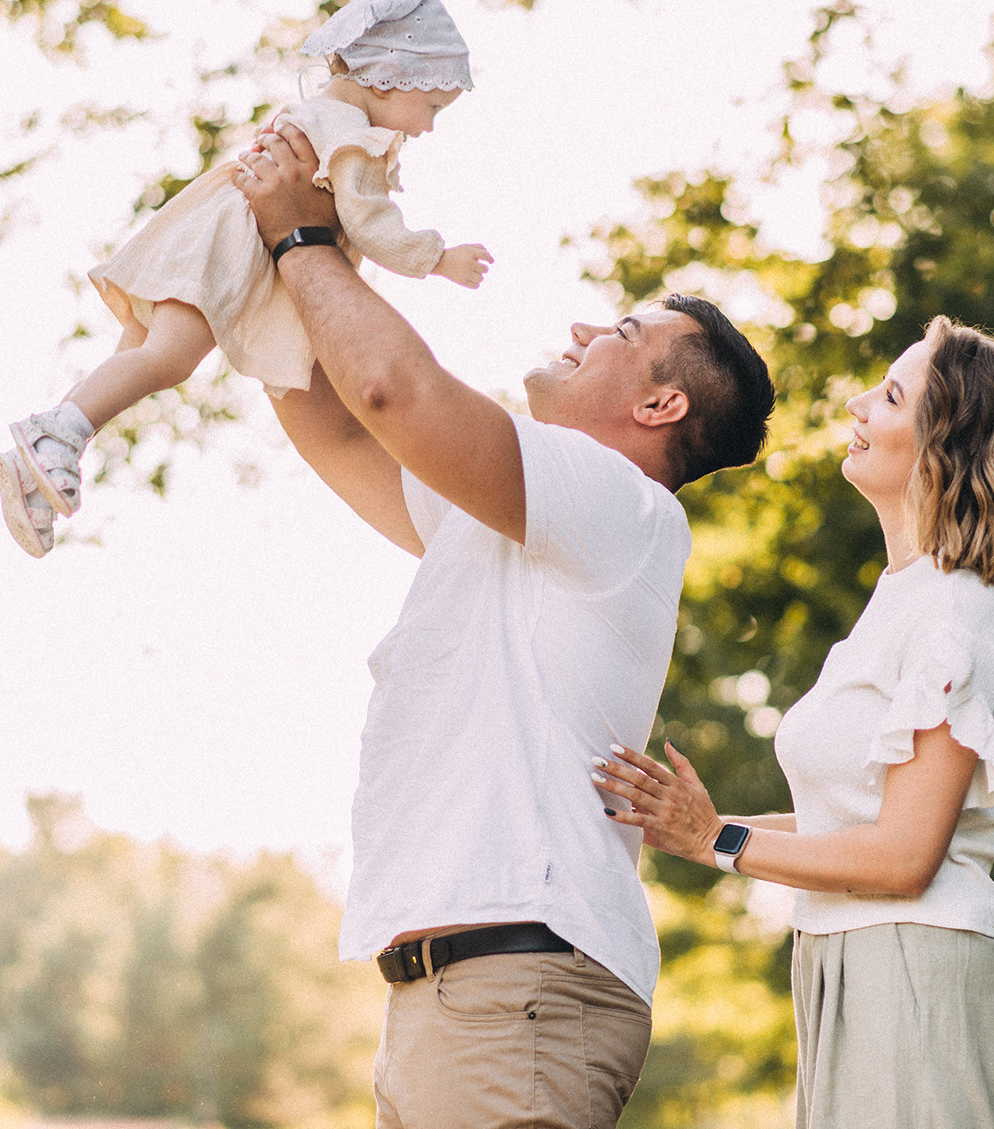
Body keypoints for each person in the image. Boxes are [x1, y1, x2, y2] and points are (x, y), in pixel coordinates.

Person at [230, 124, 776, 1129]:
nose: (580, 330)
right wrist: (284, 252)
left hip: (515, 995)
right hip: (463, 998)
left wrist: (301, 247)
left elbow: (396, 390)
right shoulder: (521, 515)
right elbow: (340, 423)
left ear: (659, 403)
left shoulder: (619, 503)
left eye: (617, 331)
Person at [591, 316, 994, 1129]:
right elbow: (844, 824)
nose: (855, 401)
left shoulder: (954, 615)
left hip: (918, 978)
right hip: (854, 968)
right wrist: (685, 827)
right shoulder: (907, 600)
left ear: (944, 447)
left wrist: (720, 839)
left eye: (889, 395)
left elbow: (904, 856)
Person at [0, 0, 493, 557]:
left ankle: (42, 461)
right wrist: (437, 258)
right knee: (171, 357)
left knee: (138, 353)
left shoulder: (319, 114)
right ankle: (54, 434)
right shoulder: (353, 138)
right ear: (388, 79)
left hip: (209, 231)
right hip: (231, 251)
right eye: (432, 109)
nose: (428, 128)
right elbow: (370, 221)